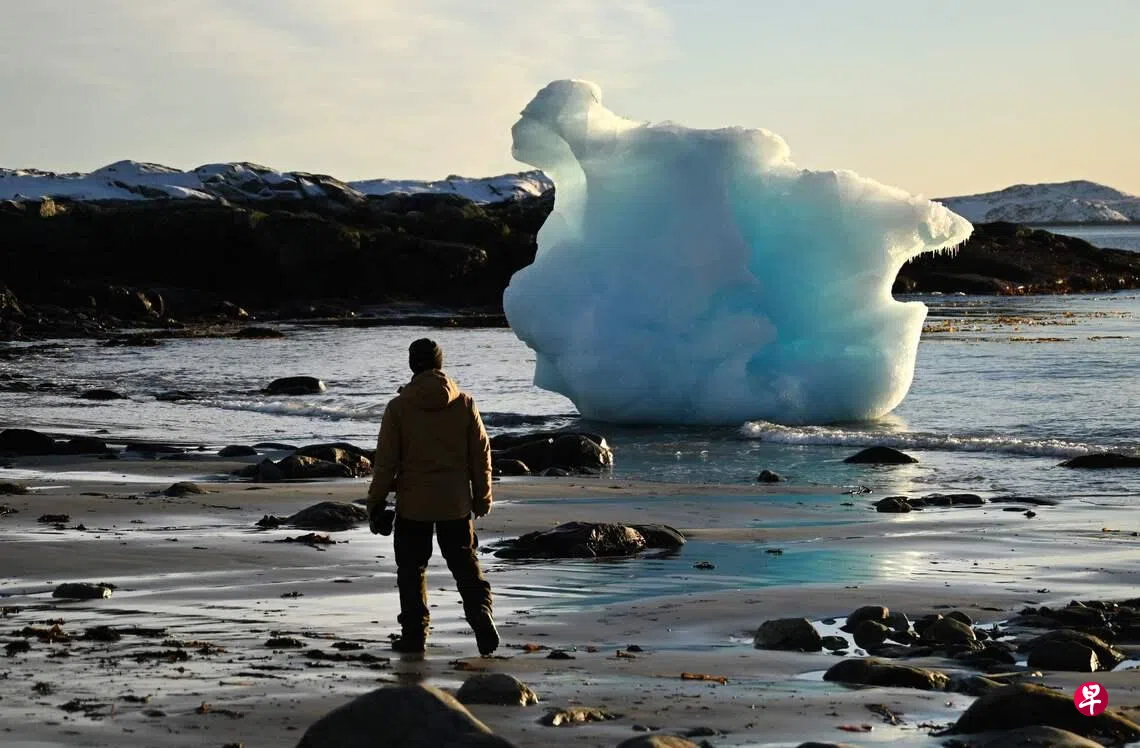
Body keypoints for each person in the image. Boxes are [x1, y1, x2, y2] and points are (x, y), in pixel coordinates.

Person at [366, 338, 499, 659]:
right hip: (455, 502)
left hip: (413, 504)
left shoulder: (398, 408)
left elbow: (385, 462)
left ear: (412, 364)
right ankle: (480, 613)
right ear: (440, 364)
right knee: (465, 564)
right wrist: (482, 497)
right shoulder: (464, 403)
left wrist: (375, 502)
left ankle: (415, 635)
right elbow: (481, 455)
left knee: (411, 570)